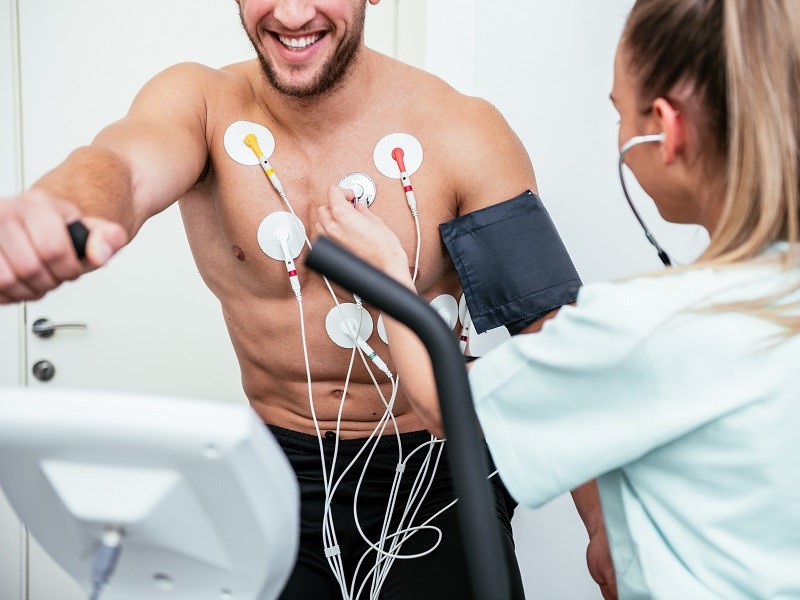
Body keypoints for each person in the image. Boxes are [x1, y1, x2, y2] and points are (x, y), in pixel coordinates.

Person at [0, 1, 615, 598]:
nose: (292, 15)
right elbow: (121, 166)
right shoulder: (201, 105)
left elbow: (551, 338)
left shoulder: (462, 131)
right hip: (275, 472)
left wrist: (602, 526)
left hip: (438, 471)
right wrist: (62, 206)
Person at [317, 0, 800, 597]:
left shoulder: (643, 326)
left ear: (665, 129)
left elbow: (449, 407)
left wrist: (389, 276)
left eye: (620, 113)